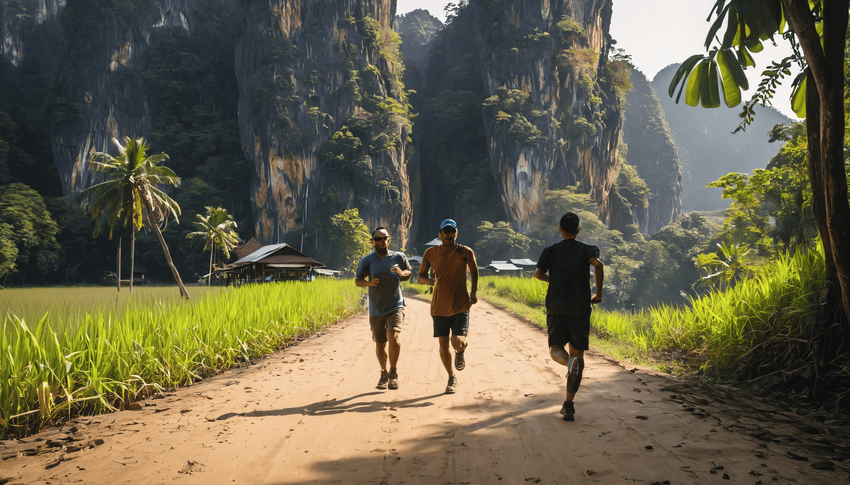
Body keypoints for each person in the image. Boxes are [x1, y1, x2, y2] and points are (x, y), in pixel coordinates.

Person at [534, 212, 603, 421]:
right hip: (580, 308)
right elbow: (598, 264)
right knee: (578, 356)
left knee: (555, 348)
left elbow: (538, 274)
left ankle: (568, 363)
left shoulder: (551, 250)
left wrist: (553, 281)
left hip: (556, 307)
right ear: (578, 230)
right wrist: (598, 294)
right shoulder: (588, 249)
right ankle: (569, 404)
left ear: (560, 230)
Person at [418, 219, 479, 394]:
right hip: (439, 307)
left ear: (456, 233)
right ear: (440, 234)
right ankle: (451, 377)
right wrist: (430, 281)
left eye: (452, 231)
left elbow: (474, 271)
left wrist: (473, 292)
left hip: (461, 304)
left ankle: (460, 352)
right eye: (445, 231)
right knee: (443, 345)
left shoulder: (465, 252)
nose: (449, 234)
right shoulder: (430, 253)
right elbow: (420, 277)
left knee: (457, 341)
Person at [355, 227, 412, 390]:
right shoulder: (367, 260)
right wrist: (369, 283)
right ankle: (383, 373)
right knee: (380, 344)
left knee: (393, 335)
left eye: (384, 238)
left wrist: (401, 273)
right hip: (376, 308)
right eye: (377, 238)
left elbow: (409, 273)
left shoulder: (399, 257)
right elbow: (358, 280)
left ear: (389, 239)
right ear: (372, 241)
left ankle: (393, 373)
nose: (381, 241)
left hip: (396, 305)